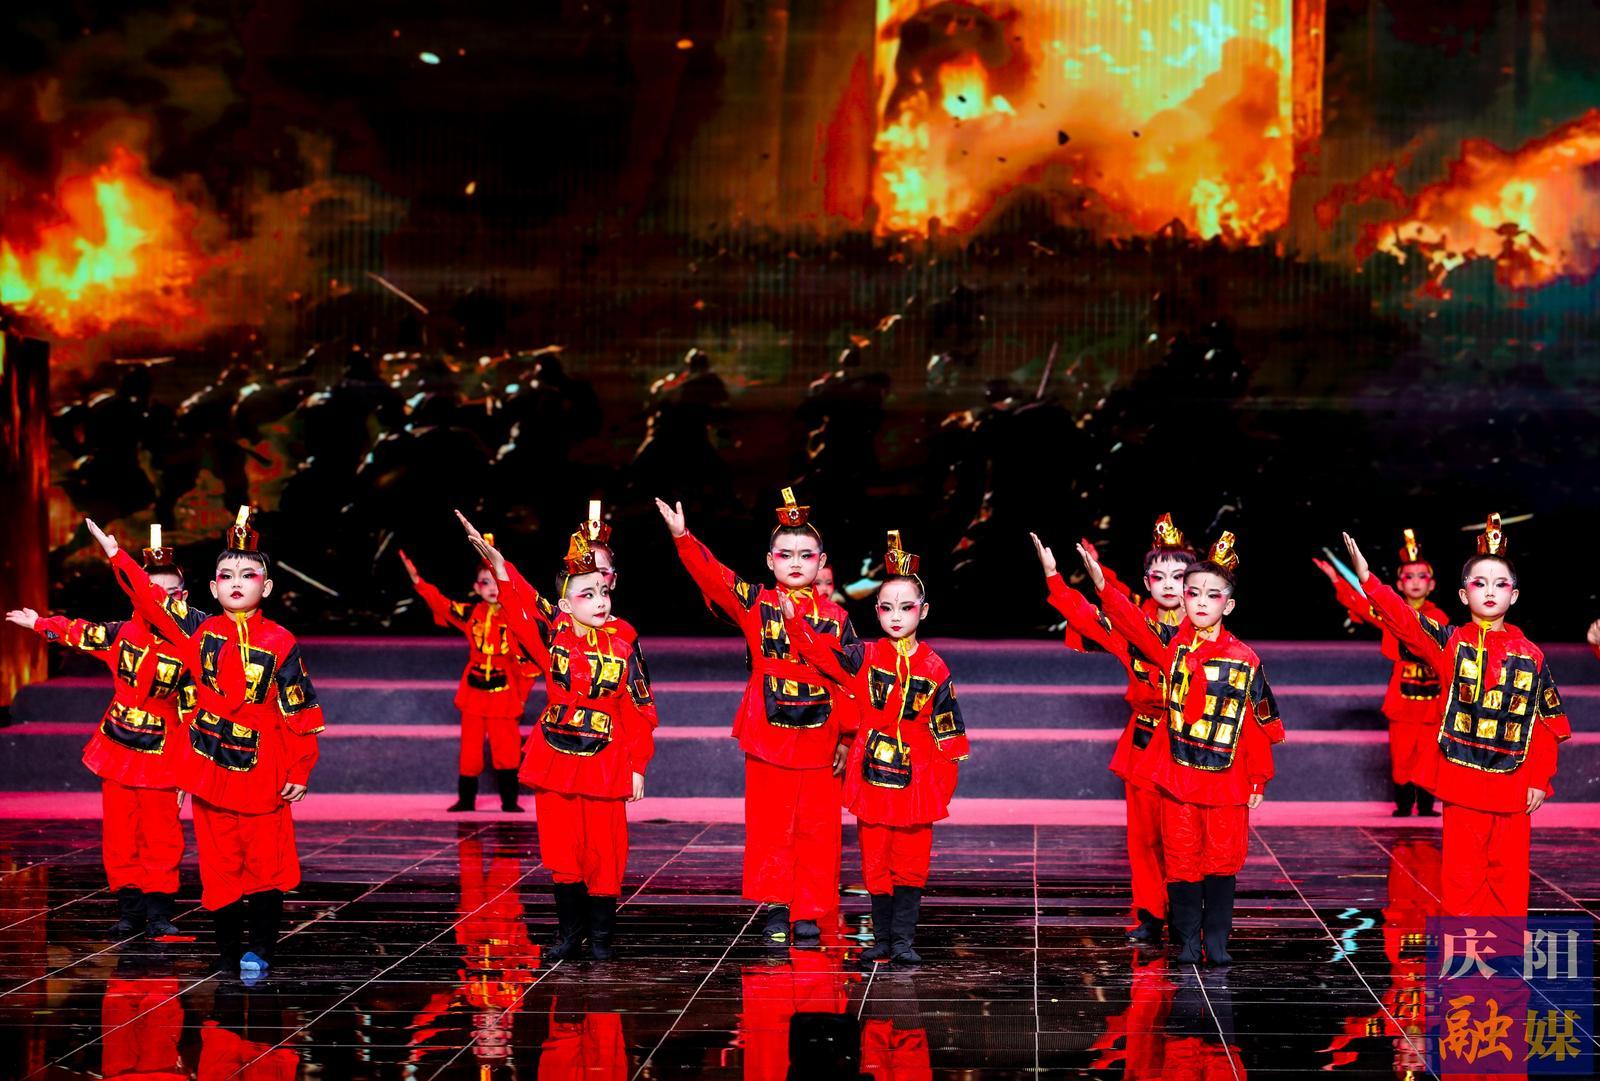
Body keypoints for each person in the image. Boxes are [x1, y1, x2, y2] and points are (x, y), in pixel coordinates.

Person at [92, 507, 324, 979]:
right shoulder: (198, 634)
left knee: (265, 859)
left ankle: (260, 948)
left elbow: (299, 707)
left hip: (262, 765)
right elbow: (152, 602)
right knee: (218, 862)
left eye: (248, 575)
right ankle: (226, 952)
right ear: (214, 589)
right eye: (226, 576)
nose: (237, 582)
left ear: (267, 587)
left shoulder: (281, 640)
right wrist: (118, 556)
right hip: (208, 763)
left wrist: (301, 768)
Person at [656, 489, 857, 946]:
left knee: (818, 827)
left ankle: (810, 909)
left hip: (822, 733)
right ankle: (777, 905)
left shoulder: (836, 617)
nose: (795, 563)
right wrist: (683, 537)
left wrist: (848, 739)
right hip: (768, 729)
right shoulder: (755, 602)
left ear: (821, 561)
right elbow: (714, 577)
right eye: (785, 554)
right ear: (769, 560)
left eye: (805, 555)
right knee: (771, 825)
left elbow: (849, 680)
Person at [1342, 516, 1568, 917]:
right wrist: (1368, 580)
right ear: (1464, 595)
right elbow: (1405, 622)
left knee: (1509, 878)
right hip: (1463, 782)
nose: (1490, 591)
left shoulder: (1532, 655)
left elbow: (1546, 721)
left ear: (1515, 595)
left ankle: (1505, 951)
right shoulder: (1451, 643)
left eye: (1501, 584)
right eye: (1480, 583)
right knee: (1463, 878)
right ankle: (1465, 951)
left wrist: (1539, 777)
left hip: (1514, 783)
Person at [1083, 533, 1284, 965]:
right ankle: (1187, 940)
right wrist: (1102, 586)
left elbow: (1256, 724)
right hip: (1177, 773)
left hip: (1226, 776)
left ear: (1229, 605)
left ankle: (1217, 941)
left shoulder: (1245, 658)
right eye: (1193, 593)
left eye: (1213, 595)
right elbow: (1132, 624)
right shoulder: (1172, 648)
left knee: (1222, 858)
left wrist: (1258, 777)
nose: (1201, 602)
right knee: (1180, 856)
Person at [463, 517, 656, 961]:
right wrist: (501, 569)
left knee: (605, 848)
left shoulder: (624, 646)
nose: (600, 600)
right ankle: (569, 934)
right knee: (562, 847)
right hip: (555, 755)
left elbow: (640, 709)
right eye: (587, 594)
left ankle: (602, 937)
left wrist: (638, 765)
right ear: (565, 605)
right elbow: (521, 607)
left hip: (606, 758)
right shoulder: (551, 641)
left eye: (603, 591)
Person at [5, 525, 204, 939]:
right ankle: (129, 911)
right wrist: (41, 623)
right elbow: (81, 632)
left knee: (162, 835)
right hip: (117, 747)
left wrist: (190, 768)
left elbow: (192, 709)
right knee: (119, 834)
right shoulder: (122, 634)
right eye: (149, 591)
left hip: (164, 752)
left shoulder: (191, 646)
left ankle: (159, 912)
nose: (156, 600)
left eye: (167, 594)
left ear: (182, 597)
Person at [781, 531, 967, 964]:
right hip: (871, 770)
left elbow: (950, 734)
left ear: (923, 610)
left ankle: (902, 942)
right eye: (887, 607)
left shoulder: (935, 667)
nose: (896, 616)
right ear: (876, 610)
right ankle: (882, 940)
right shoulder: (865, 657)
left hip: (918, 774)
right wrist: (794, 623)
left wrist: (939, 789)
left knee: (911, 860)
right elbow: (823, 655)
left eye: (906, 607)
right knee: (875, 858)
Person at [1030, 513, 1194, 944]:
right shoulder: (1131, 625)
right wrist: (1054, 577)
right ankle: (1150, 912)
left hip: (1190, 742)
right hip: (1145, 739)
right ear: (1146, 582)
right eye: (1159, 577)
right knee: (1144, 837)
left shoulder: (1204, 631)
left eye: (1179, 577)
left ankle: (1188, 913)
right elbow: (1086, 617)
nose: (1169, 585)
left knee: (1185, 835)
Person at [1314, 530, 1449, 816]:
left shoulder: (1438, 618)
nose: (1415, 582)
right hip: (1402, 700)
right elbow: (1364, 605)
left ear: (1432, 584)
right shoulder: (1392, 614)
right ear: (1399, 583)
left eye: (1421, 576)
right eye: (1409, 576)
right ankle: (1404, 805)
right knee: (1401, 754)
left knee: (1429, 754)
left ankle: (1426, 805)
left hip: (1433, 701)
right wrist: (1337, 579)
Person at [401, 536, 538, 812]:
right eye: (486, 582)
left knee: (506, 747)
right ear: (476, 587)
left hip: (504, 693)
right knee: (470, 748)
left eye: (497, 582)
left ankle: (509, 801)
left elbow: (529, 663)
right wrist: (419, 583)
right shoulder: (470, 613)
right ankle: (466, 799)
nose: (492, 588)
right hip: (473, 692)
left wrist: (521, 697)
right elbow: (442, 604)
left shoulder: (516, 618)